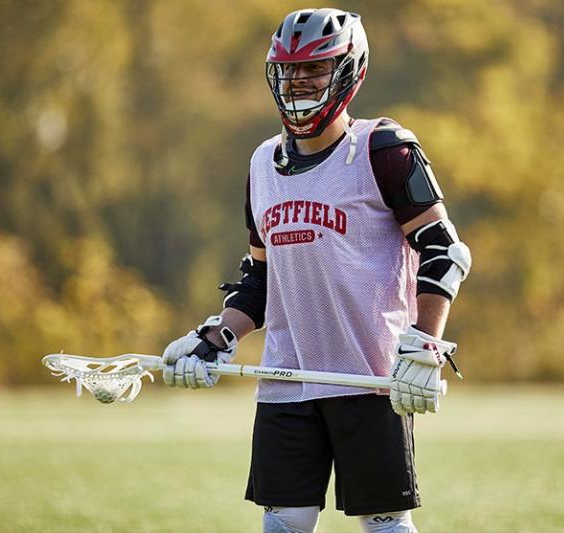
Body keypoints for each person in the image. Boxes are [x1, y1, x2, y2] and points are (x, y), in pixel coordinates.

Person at [162, 8, 471, 533]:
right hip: (287, 379)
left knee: (385, 525)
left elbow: (444, 252)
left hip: (369, 379)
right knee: (283, 524)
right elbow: (260, 280)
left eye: (314, 68)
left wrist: (425, 344)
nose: (298, 81)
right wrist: (215, 338)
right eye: (289, 70)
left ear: (350, 71)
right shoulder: (262, 163)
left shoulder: (383, 149)